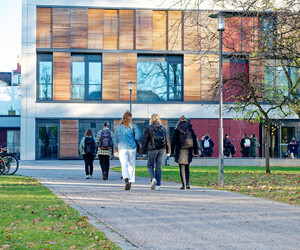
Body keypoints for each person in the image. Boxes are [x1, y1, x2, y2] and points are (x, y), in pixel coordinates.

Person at [141, 114, 171, 191]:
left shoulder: (149, 128)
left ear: (152, 119)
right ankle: (158, 186)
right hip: (162, 149)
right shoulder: (163, 128)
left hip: (152, 149)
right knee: (159, 166)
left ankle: (153, 178)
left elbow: (144, 141)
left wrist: (143, 152)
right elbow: (167, 140)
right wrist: (168, 151)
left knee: (150, 165)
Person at [114, 110, 141, 190]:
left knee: (124, 165)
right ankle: (131, 181)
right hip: (132, 148)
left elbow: (115, 140)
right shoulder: (133, 126)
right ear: (130, 118)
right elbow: (138, 137)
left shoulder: (118, 128)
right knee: (131, 165)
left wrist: (116, 149)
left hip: (122, 149)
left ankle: (126, 179)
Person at [171, 115, 198, 190]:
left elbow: (174, 141)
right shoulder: (191, 130)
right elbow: (195, 141)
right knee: (187, 167)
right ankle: (188, 184)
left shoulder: (177, 130)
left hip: (181, 149)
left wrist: (171, 151)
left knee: (182, 167)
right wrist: (195, 151)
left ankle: (184, 184)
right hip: (189, 150)